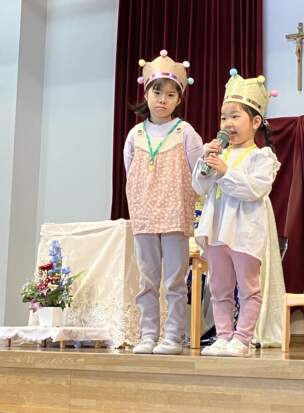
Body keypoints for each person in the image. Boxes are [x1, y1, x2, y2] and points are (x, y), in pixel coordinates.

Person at [192, 69, 280, 357]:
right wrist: (205, 163)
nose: (227, 123)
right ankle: (223, 335)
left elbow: (255, 189)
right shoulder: (220, 154)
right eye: (223, 118)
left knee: (248, 287)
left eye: (235, 116)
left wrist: (225, 172)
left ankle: (242, 339)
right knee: (219, 287)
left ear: (255, 122)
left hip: (244, 232)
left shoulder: (262, 157)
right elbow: (199, 186)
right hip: (217, 230)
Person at [124, 50, 203, 355]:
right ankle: (147, 334)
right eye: (157, 92)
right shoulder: (135, 134)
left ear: (178, 100)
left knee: (174, 281)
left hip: (175, 215)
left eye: (171, 95)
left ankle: (172, 337)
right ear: (146, 93)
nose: (162, 100)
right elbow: (130, 170)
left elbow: (199, 173)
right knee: (147, 280)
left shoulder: (186, 132)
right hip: (144, 216)